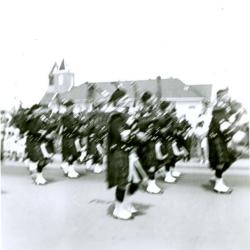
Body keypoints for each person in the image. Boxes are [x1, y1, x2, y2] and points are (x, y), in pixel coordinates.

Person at [106, 88, 140, 220]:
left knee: (130, 180)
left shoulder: (124, 117)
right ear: (118, 102)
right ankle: (118, 209)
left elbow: (131, 132)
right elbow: (124, 136)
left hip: (127, 152)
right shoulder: (116, 118)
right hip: (119, 153)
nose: (128, 101)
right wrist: (136, 134)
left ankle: (123, 204)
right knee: (122, 182)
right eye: (125, 99)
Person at [207, 88, 238, 193]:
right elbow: (223, 126)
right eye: (225, 95)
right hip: (216, 137)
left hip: (220, 136)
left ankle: (216, 177)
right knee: (222, 160)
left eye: (227, 95)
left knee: (229, 158)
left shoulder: (225, 107)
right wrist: (231, 136)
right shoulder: (218, 108)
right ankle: (218, 184)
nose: (228, 97)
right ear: (220, 97)